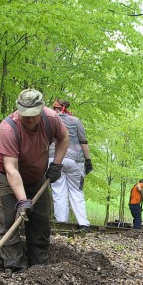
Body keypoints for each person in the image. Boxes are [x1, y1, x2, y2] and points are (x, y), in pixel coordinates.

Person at [0, 89, 69, 272]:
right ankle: (15, 267)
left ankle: (38, 267)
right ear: (18, 110)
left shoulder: (51, 119)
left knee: (40, 220)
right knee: (9, 219)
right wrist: (23, 200)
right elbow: (11, 168)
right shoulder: (9, 128)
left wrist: (56, 165)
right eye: (26, 116)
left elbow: (64, 138)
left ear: (41, 110)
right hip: (5, 174)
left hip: (35, 175)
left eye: (34, 115)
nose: (30, 120)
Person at [48, 99, 93, 231]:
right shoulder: (75, 121)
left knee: (59, 192)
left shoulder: (49, 122)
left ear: (55, 108)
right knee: (76, 191)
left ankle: (62, 224)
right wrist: (88, 161)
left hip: (54, 159)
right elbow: (83, 141)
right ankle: (84, 223)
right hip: (75, 161)